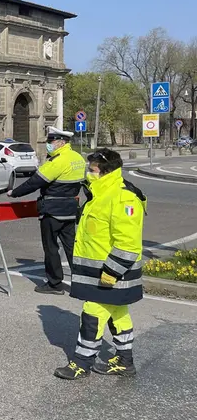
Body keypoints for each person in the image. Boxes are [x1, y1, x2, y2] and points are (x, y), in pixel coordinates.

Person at [54, 148, 146, 380]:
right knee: (118, 314)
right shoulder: (100, 192)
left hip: (111, 273)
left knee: (92, 315)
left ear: (106, 172)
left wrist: (112, 271)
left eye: (92, 170)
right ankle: (125, 361)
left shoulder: (123, 196)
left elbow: (128, 242)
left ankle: (81, 363)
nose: (89, 173)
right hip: (100, 272)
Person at [7, 126, 85, 294]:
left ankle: (55, 284)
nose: (49, 144)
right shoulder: (77, 157)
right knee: (72, 247)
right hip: (70, 210)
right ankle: (81, 283)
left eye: (51, 141)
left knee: (51, 248)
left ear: (61, 142)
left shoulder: (57, 161)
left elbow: (34, 182)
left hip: (52, 211)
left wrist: (14, 193)